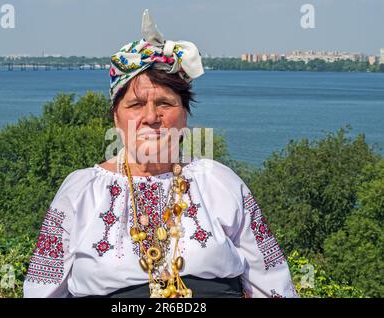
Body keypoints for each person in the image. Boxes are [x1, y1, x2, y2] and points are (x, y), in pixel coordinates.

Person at [23, 9, 298, 298]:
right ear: (116, 119)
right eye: (136, 105)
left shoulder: (219, 183)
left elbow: (272, 283)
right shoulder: (81, 193)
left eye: (166, 103)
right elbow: (42, 291)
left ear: (185, 116)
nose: (152, 117)